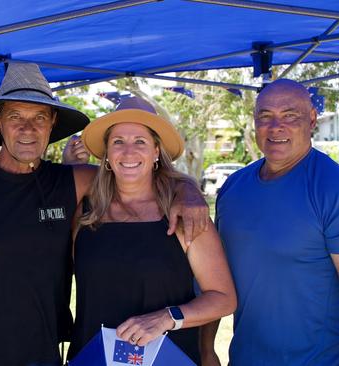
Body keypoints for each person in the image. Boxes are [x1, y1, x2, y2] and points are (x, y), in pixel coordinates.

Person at [0, 63, 210, 366]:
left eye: (39, 118)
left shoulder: (71, 181)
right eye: (16, 116)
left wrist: (187, 190)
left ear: (52, 123)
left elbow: (137, 171)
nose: (27, 129)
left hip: (45, 355)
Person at [67, 97, 236, 364]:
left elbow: (223, 298)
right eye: (118, 142)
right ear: (107, 154)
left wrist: (167, 318)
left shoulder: (184, 214)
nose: (129, 152)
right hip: (92, 357)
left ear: (157, 151)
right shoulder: (85, 212)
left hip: (169, 358)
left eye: (140, 142)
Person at [201, 79, 339, 365]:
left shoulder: (336, 189)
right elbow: (214, 279)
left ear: (312, 119)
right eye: (265, 116)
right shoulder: (234, 188)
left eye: (290, 116)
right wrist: (207, 350)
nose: (275, 127)